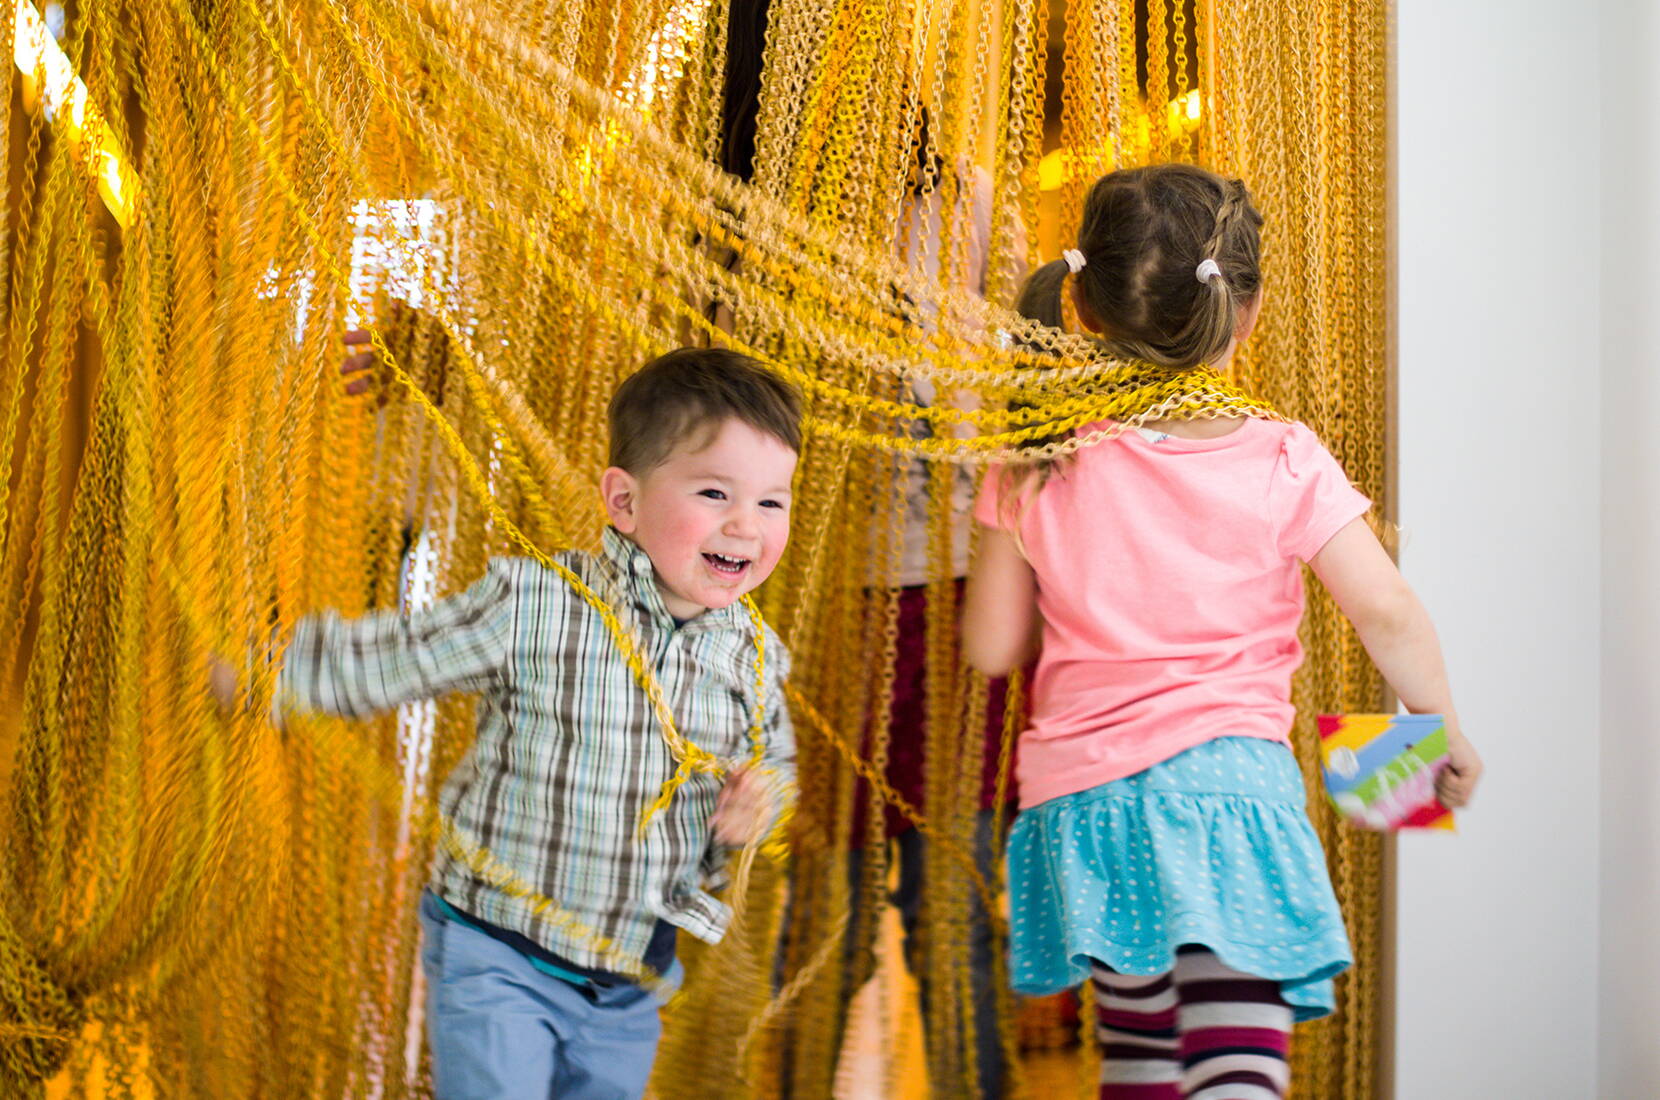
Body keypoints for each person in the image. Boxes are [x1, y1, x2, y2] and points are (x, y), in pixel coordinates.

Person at [961, 164, 1482, 1100]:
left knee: (1141, 1065)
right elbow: (1387, 608)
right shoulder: (1280, 455)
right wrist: (1438, 722)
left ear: (1082, 305)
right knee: (1234, 1067)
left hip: (1083, 809)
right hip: (1227, 797)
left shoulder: (1033, 456)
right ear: (1245, 312)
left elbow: (992, 647)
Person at [217, 347, 802, 1100]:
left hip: (629, 984)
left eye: (771, 502)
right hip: (499, 956)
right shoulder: (538, 604)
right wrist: (267, 673)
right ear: (624, 502)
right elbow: (399, 656)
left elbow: (774, 767)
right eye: (716, 493)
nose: (745, 527)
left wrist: (760, 803)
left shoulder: (754, 660)